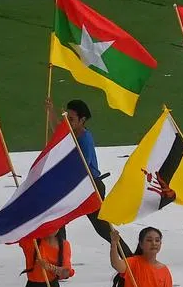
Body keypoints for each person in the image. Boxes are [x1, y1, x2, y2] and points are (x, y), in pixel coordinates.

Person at [46, 98, 130, 255]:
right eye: (66, 117)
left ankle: (129, 257)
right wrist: (51, 111)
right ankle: (59, 259)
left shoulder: (84, 140)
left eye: (71, 119)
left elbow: (82, 168)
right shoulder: (73, 132)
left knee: (102, 228)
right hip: (78, 186)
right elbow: (59, 131)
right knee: (58, 218)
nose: (67, 122)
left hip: (90, 187)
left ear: (82, 120)